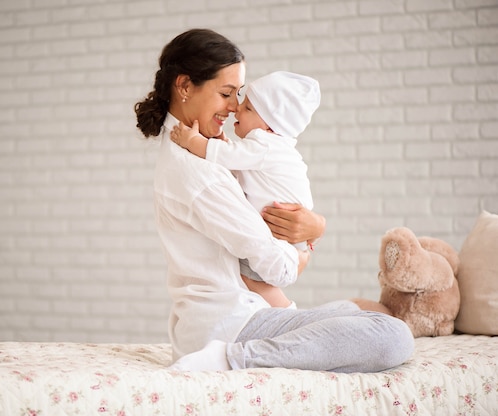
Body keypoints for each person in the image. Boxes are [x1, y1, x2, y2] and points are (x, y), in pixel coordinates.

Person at [134, 28, 414, 372]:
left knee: (360, 310)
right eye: (226, 93)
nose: (235, 107)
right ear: (185, 85)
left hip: (233, 314)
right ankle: (229, 359)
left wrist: (313, 226)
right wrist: (305, 251)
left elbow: (265, 212)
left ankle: (264, 345)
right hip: (230, 325)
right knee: (391, 335)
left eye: (238, 95)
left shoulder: (209, 151)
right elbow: (278, 269)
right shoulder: (197, 171)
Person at [170, 71, 320, 309]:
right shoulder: (270, 148)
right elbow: (241, 164)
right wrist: (223, 142)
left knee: (248, 276)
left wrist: (191, 141)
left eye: (248, 108)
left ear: (271, 127)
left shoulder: (266, 145)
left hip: (283, 239)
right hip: (292, 239)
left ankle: (284, 312)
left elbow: (225, 157)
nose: (237, 109)